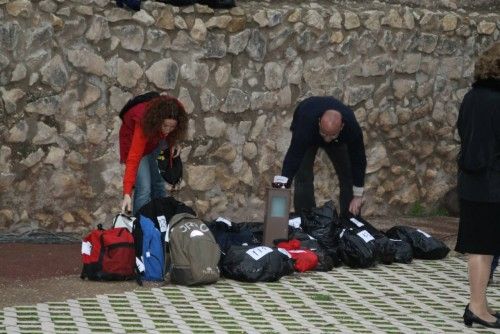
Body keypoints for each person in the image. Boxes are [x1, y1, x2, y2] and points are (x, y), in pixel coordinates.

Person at [455, 42, 500, 329]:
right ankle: (476, 307)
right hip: (494, 183)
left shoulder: (471, 97)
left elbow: (463, 132)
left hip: (471, 183)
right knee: (484, 250)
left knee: (480, 249)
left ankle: (479, 305)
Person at [281, 96, 367, 217]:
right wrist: (283, 186)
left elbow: (358, 160)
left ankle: (350, 221)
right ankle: (307, 219)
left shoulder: (351, 127)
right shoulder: (305, 123)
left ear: (342, 126)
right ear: (319, 120)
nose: (326, 140)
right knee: (303, 175)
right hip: (309, 129)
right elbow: (293, 156)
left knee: (348, 175)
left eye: (331, 135)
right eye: (324, 133)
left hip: (338, 141)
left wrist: (358, 195)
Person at [119, 95, 188, 215]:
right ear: (157, 120)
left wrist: (174, 142)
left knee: (159, 183)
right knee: (144, 188)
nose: (167, 130)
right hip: (135, 142)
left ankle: (161, 218)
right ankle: (140, 225)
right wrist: (127, 193)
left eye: (172, 127)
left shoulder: (177, 110)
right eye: (165, 125)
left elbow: (173, 132)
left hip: (155, 140)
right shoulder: (143, 121)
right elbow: (133, 159)